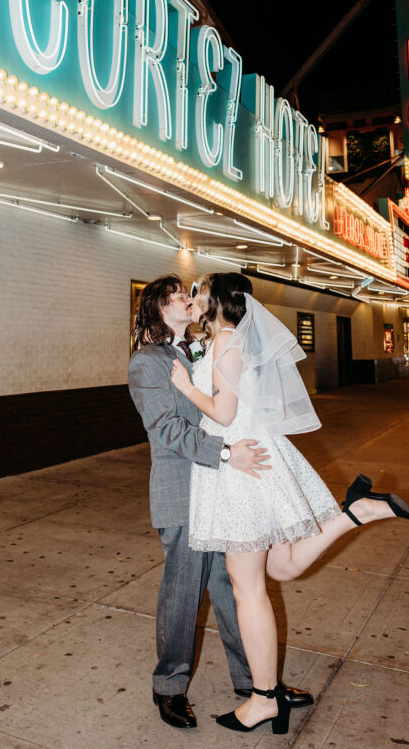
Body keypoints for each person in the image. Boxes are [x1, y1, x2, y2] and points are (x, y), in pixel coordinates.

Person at [171, 273, 409, 735]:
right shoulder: (229, 338)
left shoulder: (226, 341)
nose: (193, 298)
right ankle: (357, 512)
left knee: (247, 588)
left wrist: (187, 386)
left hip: (240, 470)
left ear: (217, 302)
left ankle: (264, 699)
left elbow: (223, 413)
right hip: (255, 458)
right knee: (282, 568)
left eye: (198, 292)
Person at [128, 274, 314, 730]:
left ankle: (258, 685)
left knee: (235, 590)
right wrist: (228, 454)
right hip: (184, 490)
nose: (186, 299)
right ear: (156, 308)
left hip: (221, 491)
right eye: (175, 295)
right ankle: (169, 686)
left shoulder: (204, 346)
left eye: (189, 294)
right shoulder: (147, 362)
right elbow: (168, 430)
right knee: (183, 593)